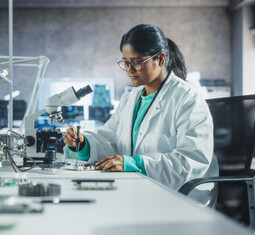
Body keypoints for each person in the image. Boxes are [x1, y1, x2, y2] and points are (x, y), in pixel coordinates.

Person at [63, 24, 219, 206]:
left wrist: (135, 164)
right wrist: (83, 144)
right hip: (139, 191)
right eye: (126, 62)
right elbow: (110, 138)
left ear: (160, 59)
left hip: (180, 198)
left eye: (137, 62)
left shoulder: (187, 99)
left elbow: (191, 161)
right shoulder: (132, 99)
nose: (130, 69)